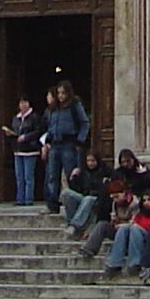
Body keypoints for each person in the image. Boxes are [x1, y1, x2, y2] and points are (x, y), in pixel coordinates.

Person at [42, 82, 90, 214]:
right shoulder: (54, 109)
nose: (61, 96)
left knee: (71, 175)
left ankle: (74, 202)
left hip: (69, 143)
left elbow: (84, 123)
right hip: (55, 144)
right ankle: (52, 205)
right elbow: (50, 126)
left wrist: (80, 140)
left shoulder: (74, 106)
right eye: (58, 93)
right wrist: (47, 141)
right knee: (52, 175)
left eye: (63, 93)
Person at [3, 95, 46, 208]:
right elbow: (14, 130)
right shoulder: (16, 119)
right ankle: (19, 198)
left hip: (30, 150)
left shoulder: (34, 117)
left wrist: (26, 137)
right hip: (18, 150)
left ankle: (28, 198)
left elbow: (38, 131)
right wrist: (10, 134)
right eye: (21, 103)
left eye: (25, 103)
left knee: (28, 176)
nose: (23, 105)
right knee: (19, 176)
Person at [60, 154, 108, 237]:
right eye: (88, 161)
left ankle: (75, 225)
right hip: (84, 196)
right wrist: (73, 177)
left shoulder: (105, 171)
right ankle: (71, 223)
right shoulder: (83, 171)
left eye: (92, 161)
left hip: (96, 198)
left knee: (88, 199)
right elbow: (75, 188)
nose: (90, 163)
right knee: (66, 193)